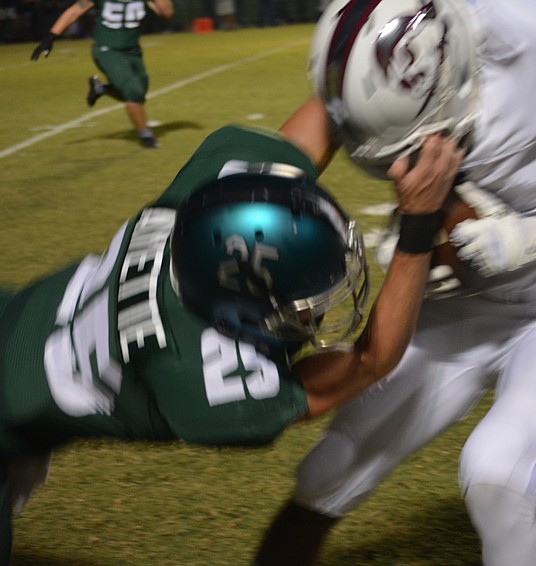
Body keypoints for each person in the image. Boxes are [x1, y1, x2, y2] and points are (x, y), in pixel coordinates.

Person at [252, 0, 536, 564]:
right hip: (455, 306)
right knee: (327, 470)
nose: (396, 164)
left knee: (496, 476)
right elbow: (273, 165)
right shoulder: (376, 83)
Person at [0, 123, 462, 564]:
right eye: (304, 303)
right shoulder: (208, 381)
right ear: (235, 310)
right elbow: (370, 360)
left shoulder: (197, 215)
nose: (313, 314)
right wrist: (419, 227)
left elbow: (323, 116)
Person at [30, 0, 174, 149]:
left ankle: (101, 89)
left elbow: (167, 13)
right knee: (133, 92)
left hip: (133, 51)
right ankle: (146, 136)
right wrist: (51, 36)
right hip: (107, 50)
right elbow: (75, 11)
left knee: (139, 95)